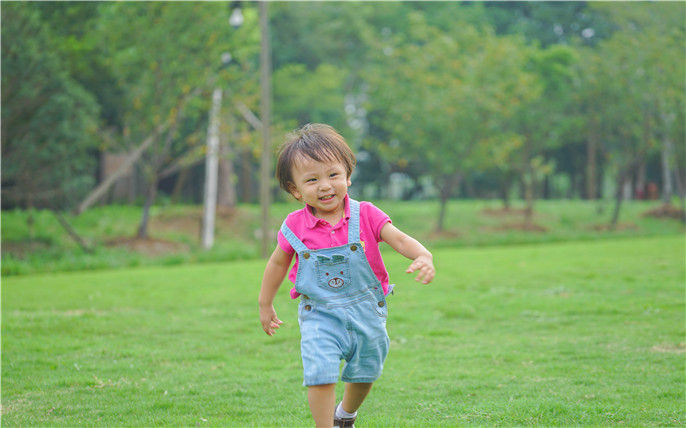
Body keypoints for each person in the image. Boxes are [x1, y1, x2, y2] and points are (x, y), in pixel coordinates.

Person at [259, 123, 435, 427]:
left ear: (348, 176)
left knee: (366, 372)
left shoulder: (366, 214)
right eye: (312, 180)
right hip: (320, 315)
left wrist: (423, 255)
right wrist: (265, 303)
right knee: (320, 374)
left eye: (333, 175)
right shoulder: (294, 226)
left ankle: (346, 414)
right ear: (295, 190)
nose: (325, 186)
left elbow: (399, 239)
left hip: (366, 312)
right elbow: (277, 264)